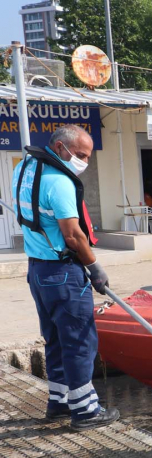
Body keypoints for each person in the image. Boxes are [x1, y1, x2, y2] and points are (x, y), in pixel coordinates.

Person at [13, 124, 120, 430]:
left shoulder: (23, 168)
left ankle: (59, 402)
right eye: (82, 155)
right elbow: (73, 236)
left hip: (37, 269)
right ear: (61, 148)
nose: (85, 161)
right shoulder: (58, 181)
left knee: (56, 339)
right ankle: (86, 410)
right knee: (80, 341)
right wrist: (95, 267)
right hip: (62, 273)